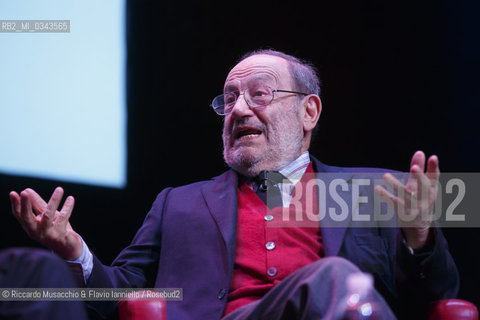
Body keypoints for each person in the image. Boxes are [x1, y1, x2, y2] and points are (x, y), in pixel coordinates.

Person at [9, 49, 459, 320]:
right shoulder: (177, 204)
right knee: (335, 276)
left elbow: (436, 301)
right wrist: (72, 250)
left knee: (333, 280)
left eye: (259, 94)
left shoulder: (377, 191)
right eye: (229, 99)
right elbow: (120, 299)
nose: (240, 109)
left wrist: (420, 237)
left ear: (309, 112)